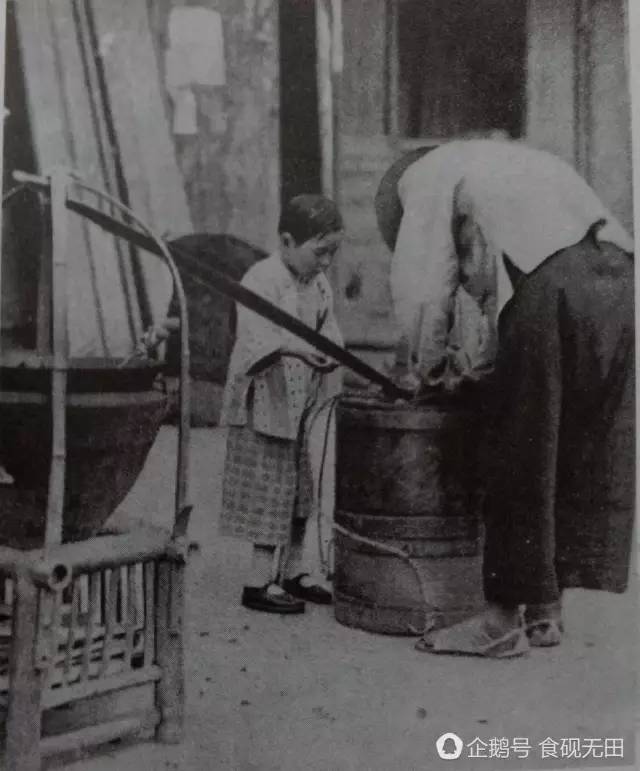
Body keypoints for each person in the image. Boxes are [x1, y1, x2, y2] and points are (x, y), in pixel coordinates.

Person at [378, 139, 635, 657]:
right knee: (576, 441)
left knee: (520, 446)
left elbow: (425, 291)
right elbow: (500, 299)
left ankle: (498, 624)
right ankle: (545, 609)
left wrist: (425, 372)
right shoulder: (503, 164)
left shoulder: (424, 179)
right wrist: (483, 367)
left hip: (553, 284)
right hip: (623, 281)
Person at [219, 194, 344, 614]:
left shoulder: (319, 284)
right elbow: (254, 338)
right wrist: (297, 349)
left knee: (300, 492)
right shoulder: (261, 278)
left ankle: (292, 571)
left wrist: (328, 352)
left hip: (300, 399)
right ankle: (258, 581)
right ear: (288, 241)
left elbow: (329, 330)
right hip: (265, 402)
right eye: (319, 251)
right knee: (269, 491)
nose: (326, 262)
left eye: (332, 252)